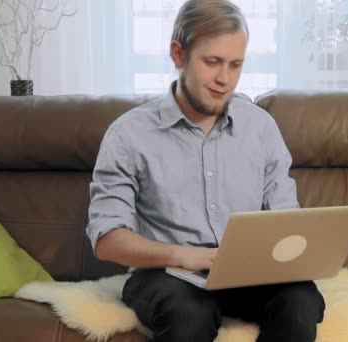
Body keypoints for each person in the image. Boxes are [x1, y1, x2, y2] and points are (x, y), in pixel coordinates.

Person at [86, 1, 325, 341]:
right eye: (212, 62)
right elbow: (107, 238)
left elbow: (285, 218)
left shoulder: (260, 128)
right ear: (178, 55)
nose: (224, 79)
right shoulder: (128, 134)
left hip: (249, 276)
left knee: (300, 302)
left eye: (235, 65)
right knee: (189, 313)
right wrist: (185, 255)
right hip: (167, 276)